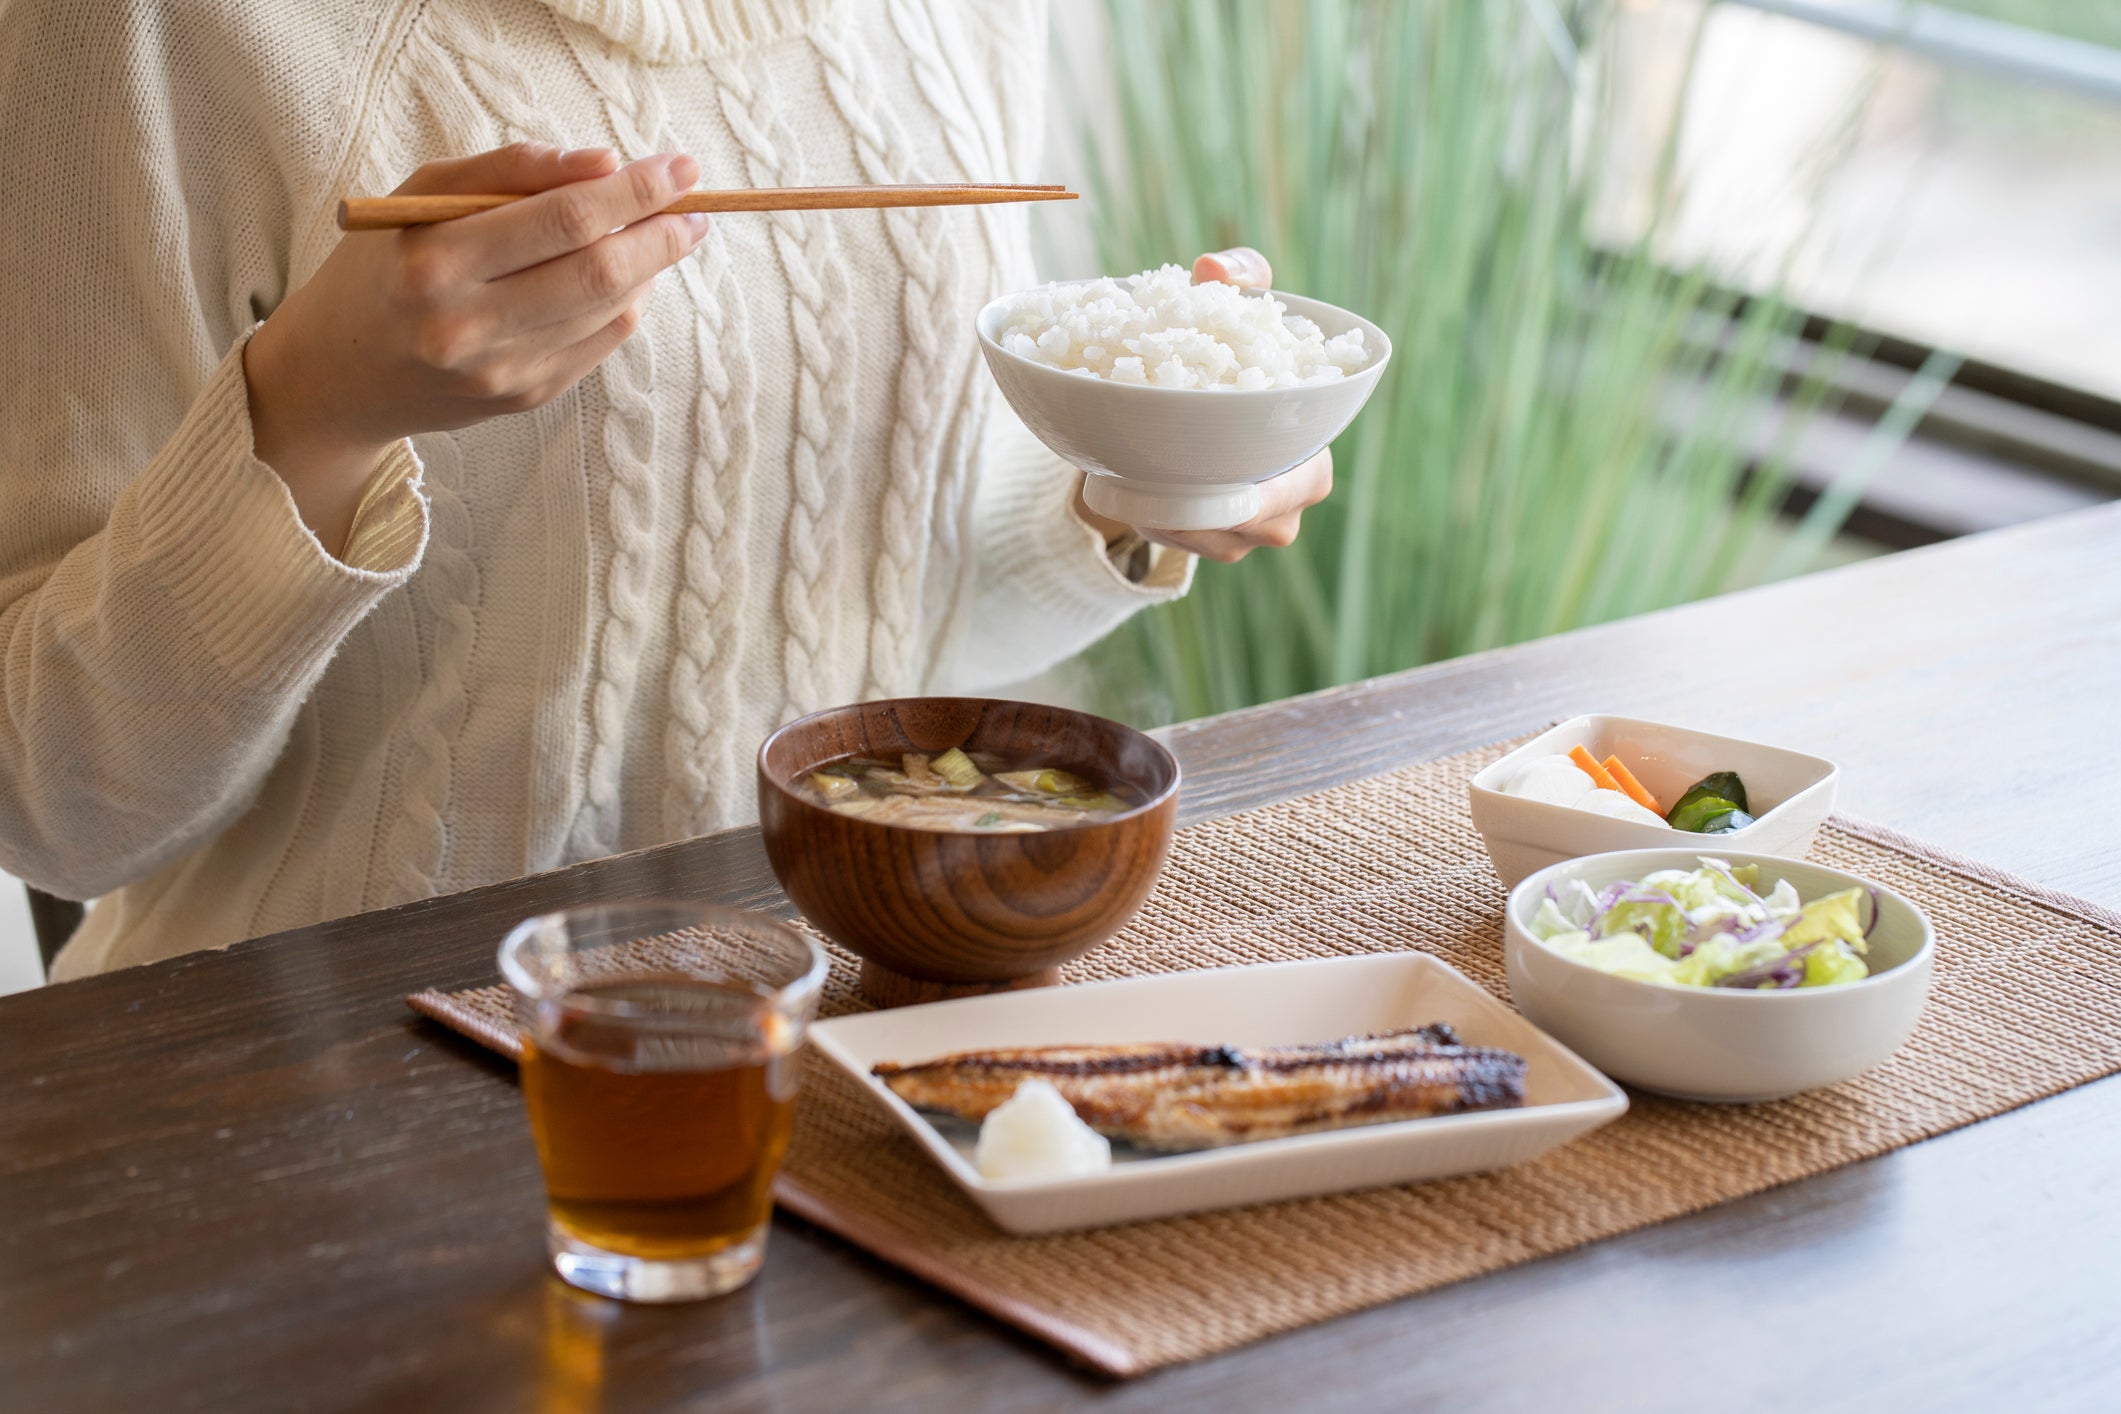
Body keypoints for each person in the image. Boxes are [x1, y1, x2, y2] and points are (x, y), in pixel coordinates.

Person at [0, 0, 1332, 980]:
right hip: (293, 1094)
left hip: (818, 1046)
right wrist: (311, 413)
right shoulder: (138, 29)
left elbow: (826, 608)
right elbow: (48, 805)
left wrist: (1109, 500)